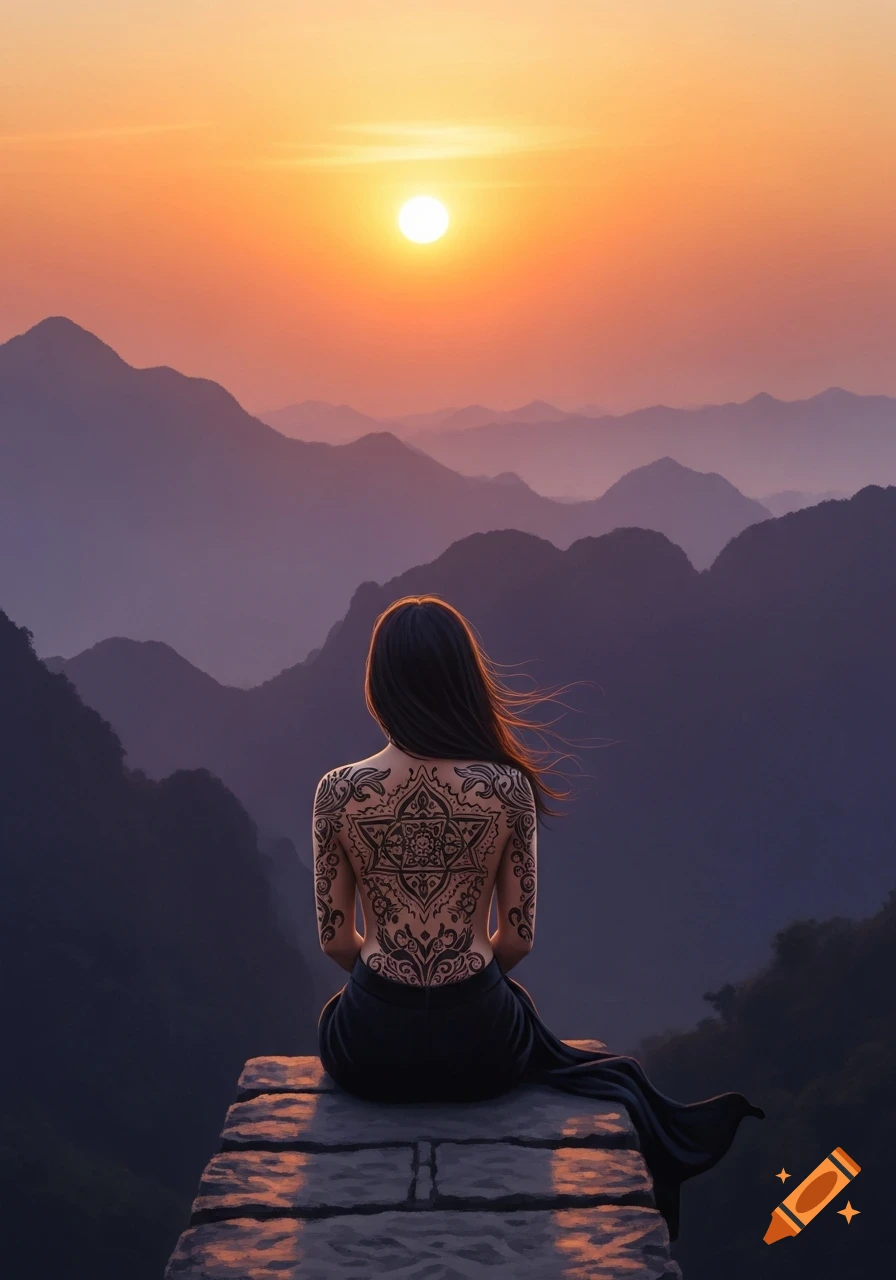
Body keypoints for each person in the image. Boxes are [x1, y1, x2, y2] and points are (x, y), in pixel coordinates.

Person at [315, 594, 763, 1241]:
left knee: (333, 1012)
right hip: (485, 1044)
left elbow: (335, 940)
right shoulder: (506, 789)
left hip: (370, 1047)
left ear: (378, 686)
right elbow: (517, 938)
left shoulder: (338, 792)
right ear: (464, 680)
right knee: (513, 997)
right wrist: (459, 982)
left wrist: (397, 985)